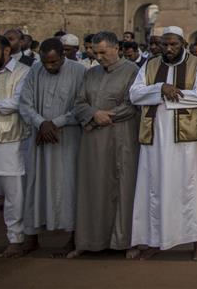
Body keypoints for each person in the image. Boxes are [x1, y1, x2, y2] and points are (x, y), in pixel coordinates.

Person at [128, 26, 197, 260]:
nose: (169, 48)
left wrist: (168, 96)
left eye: (174, 44)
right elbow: (134, 94)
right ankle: (156, 240)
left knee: (190, 187)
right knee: (154, 186)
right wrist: (160, 89)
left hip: (185, 138)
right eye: (165, 44)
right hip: (155, 135)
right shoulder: (151, 64)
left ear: (183, 44)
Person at [67, 31, 139, 258]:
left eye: (103, 52)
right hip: (92, 139)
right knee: (91, 188)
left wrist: (106, 116)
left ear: (116, 48)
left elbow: (132, 103)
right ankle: (89, 241)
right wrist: (92, 114)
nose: (98, 57)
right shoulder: (91, 74)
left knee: (122, 188)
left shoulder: (133, 72)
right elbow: (79, 103)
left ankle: (125, 242)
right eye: (95, 52)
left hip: (121, 138)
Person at [19, 38, 86, 256]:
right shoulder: (35, 70)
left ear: (63, 56)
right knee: (34, 184)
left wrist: (54, 123)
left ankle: (74, 237)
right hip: (39, 138)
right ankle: (31, 236)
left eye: (54, 62)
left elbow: (82, 105)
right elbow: (25, 103)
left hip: (67, 138)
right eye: (45, 62)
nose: (49, 66)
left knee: (70, 184)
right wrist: (41, 123)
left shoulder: (79, 71)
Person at [0, 34, 31, 257]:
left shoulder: (23, 72)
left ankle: (16, 239)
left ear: (6, 52)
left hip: (9, 140)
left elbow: (19, 101)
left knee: (13, 193)